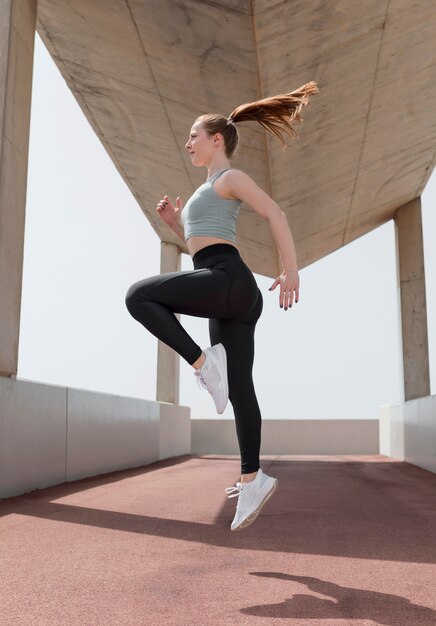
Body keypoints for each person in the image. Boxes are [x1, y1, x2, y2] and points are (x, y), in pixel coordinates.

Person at [125, 81, 319, 531]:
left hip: (228, 279)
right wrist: (177, 225)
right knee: (240, 389)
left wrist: (291, 270)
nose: (187, 143)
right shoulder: (205, 189)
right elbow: (199, 247)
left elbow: (276, 214)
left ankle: (201, 363)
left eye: (194, 136)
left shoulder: (229, 178)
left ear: (217, 140)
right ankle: (253, 477)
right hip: (225, 288)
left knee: (138, 295)